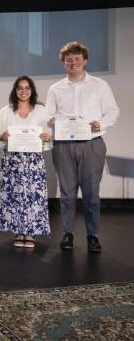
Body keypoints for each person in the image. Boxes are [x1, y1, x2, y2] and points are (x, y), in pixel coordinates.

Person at [46, 41, 119, 252]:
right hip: (63, 145)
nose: (73, 62)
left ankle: (92, 235)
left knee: (91, 193)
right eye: (69, 60)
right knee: (67, 193)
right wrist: (50, 124)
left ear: (84, 61)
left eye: (77, 59)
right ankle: (68, 233)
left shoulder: (100, 85)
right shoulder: (55, 88)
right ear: (64, 63)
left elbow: (113, 111)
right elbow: (48, 115)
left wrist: (101, 124)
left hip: (92, 143)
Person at [0, 76, 52, 248]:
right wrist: (2, 136)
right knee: (15, 196)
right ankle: (19, 232)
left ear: (32, 91)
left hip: (33, 161)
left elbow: (49, 135)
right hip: (12, 160)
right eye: (20, 88)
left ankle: (30, 233)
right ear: (15, 90)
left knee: (33, 196)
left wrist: (47, 137)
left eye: (27, 88)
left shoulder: (41, 111)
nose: (23, 91)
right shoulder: (6, 111)